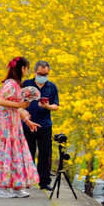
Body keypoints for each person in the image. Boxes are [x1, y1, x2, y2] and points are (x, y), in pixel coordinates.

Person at [0, 56, 39, 198]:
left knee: (16, 153)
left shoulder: (16, 84)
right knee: (6, 153)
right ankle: (1, 187)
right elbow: (1, 101)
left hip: (14, 123)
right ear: (23, 68)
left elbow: (16, 108)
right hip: (5, 124)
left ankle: (16, 185)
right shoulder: (10, 84)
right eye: (27, 68)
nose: (27, 72)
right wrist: (19, 105)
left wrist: (27, 120)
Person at [21, 60, 60, 191]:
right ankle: (27, 179)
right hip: (28, 124)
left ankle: (44, 181)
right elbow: (18, 101)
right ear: (35, 72)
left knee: (45, 153)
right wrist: (23, 110)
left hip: (45, 124)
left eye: (45, 74)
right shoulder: (26, 85)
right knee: (28, 152)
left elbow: (56, 106)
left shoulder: (51, 87)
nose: (42, 76)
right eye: (40, 73)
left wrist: (47, 106)